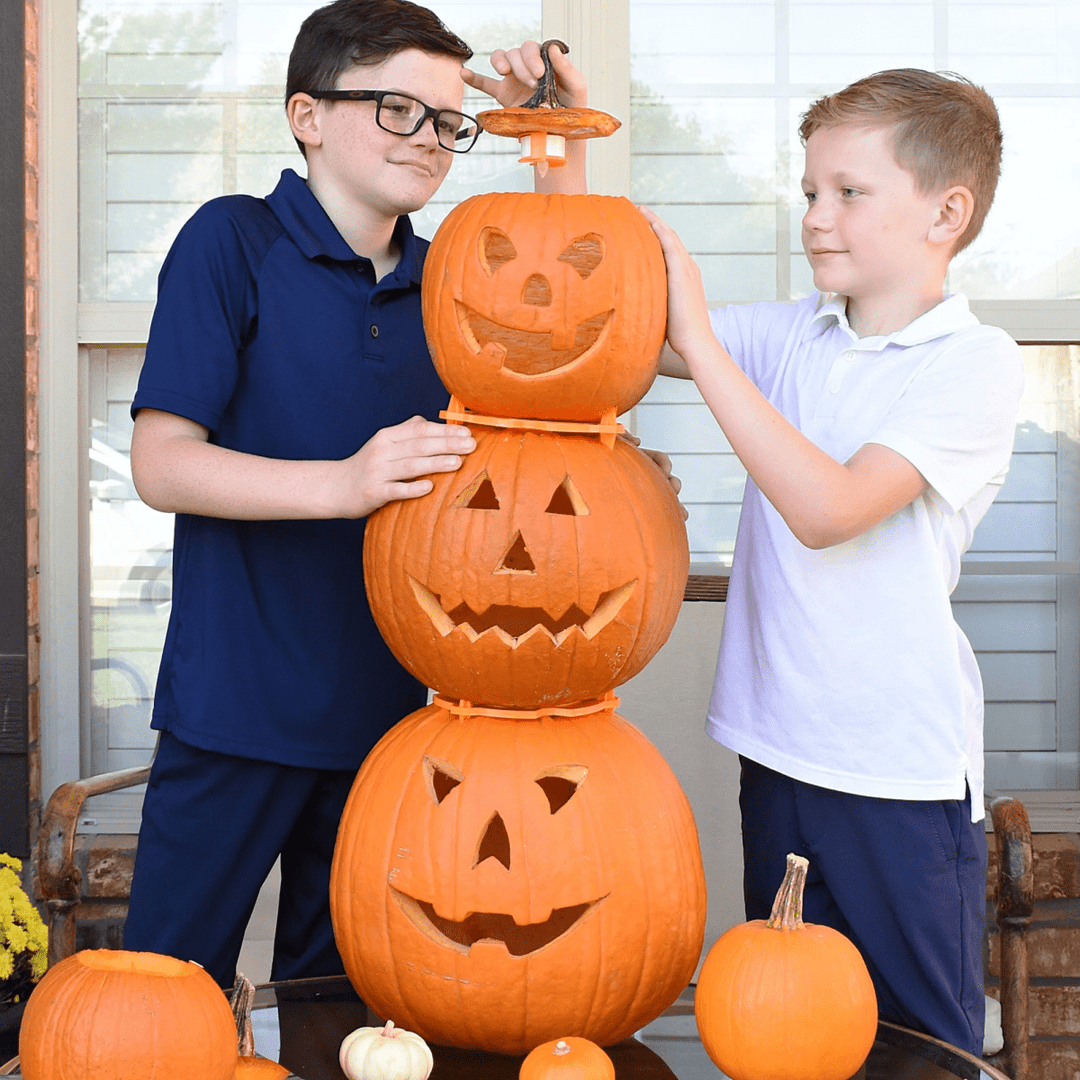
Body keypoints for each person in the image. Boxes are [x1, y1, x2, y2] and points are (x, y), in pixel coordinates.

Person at [122, 0, 590, 989]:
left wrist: (551, 139)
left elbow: (584, 319)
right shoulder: (233, 243)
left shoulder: (453, 281)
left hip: (392, 726)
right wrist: (343, 485)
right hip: (232, 713)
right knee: (164, 998)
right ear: (307, 115)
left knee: (346, 1010)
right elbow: (161, 464)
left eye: (449, 121)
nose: (428, 139)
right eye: (396, 109)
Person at [642, 69, 1024, 1056]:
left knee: (921, 1053)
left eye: (849, 194)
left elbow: (829, 509)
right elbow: (611, 308)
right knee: (786, 1041)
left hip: (896, 778)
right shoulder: (795, 335)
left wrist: (706, 346)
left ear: (947, 212)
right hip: (777, 758)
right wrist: (561, 145)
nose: (816, 217)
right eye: (810, 191)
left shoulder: (972, 362)